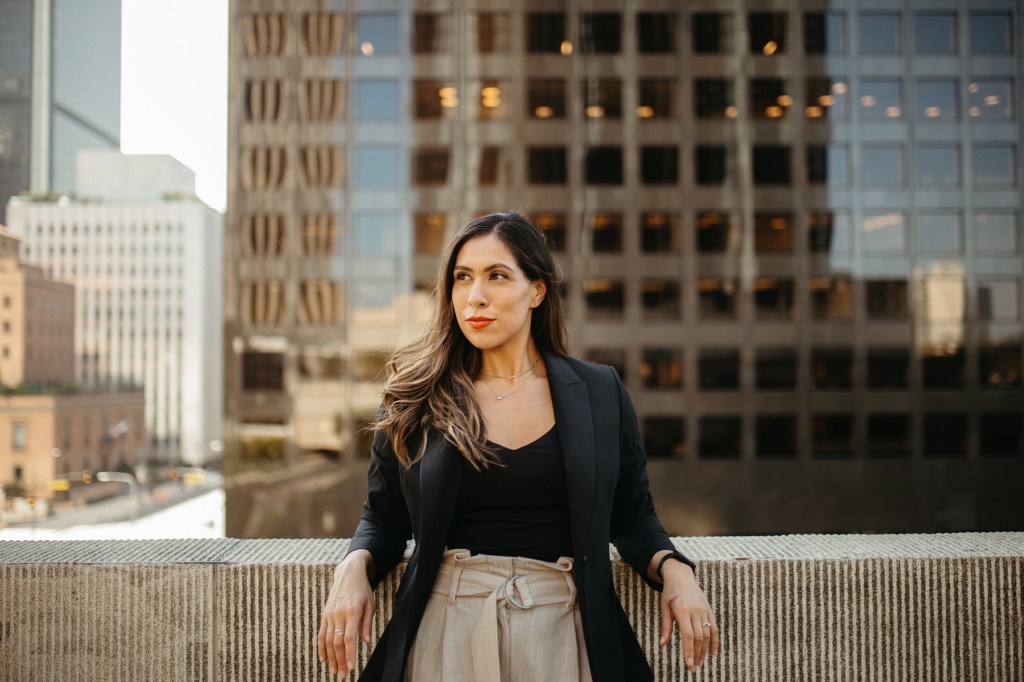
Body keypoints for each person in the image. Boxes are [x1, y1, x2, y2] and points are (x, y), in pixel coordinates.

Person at [318, 212, 718, 681]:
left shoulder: (599, 392)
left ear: (538, 290)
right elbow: (383, 520)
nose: (476, 296)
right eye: (462, 278)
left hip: (565, 634)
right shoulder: (416, 394)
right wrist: (352, 568)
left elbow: (631, 517)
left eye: (497, 276)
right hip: (446, 635)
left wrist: (675, 570)